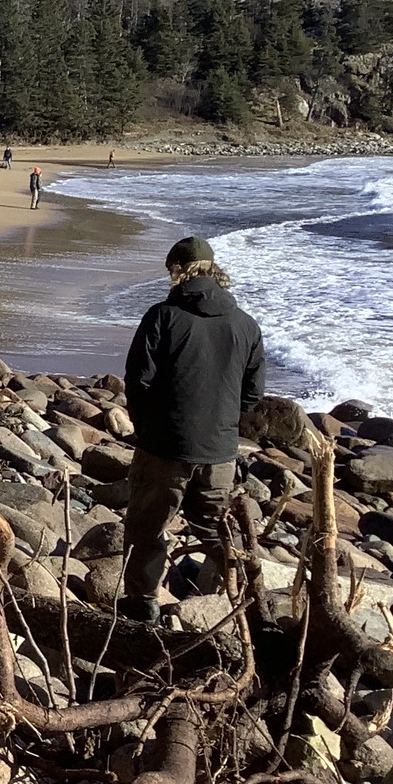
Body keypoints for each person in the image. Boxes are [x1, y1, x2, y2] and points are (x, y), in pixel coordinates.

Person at [121, 237, 265, 625]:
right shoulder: (246, 325)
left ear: (177, 270)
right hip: (219, 452)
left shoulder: (162, 316)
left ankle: (142, 606)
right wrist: (221, 423)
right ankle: (235, 606)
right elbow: (253, 396)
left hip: (164, 448)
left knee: (147, 528)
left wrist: (146, 427)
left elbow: (138, 380)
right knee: (216, 532)